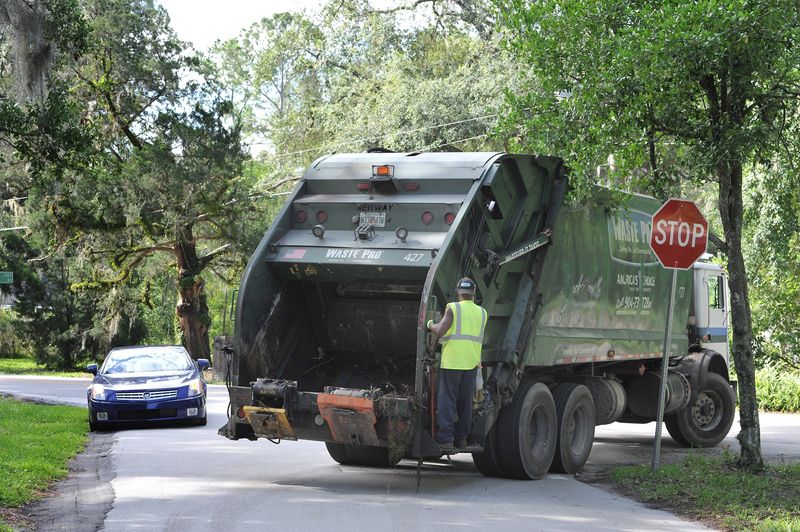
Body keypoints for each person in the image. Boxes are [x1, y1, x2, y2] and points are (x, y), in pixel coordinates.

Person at [426, 277, 487, 453]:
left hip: (453, 362)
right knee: (465, 403)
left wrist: (430, 324)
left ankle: (445, 440)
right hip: (472, 364)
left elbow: (441, 330)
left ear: (459, 292)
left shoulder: (453, 308)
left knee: (447, 402)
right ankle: (461, 439)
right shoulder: (482, 312)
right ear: (473, 293)